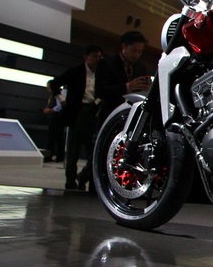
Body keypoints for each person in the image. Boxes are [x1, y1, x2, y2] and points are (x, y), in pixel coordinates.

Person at [48, 45, 104, 190]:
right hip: (77, 112)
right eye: (94, 57)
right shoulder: (76, 71)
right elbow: (54, 83)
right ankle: (70, 181)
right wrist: (62, 100)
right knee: (73, 150)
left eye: (99, 57)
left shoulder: (102, 74)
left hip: (93, 112)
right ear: (86, 57)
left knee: (94, 150)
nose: (97, 60)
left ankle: (84, 176)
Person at [95, 31, 151, 125]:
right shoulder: (106, 63)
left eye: (140, 52)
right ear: (124, 46)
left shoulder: (141, 68)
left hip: (131, 117)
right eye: (133, 50)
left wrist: (146, 89)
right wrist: (127, 87)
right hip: (110, 115)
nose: (136, 55)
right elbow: (100, 91)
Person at [42, 89, 66, 163]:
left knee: (52, 137)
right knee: (59, 137)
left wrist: (50, 110)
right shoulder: (56, 94)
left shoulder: (59, 94)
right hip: (58, 117)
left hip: (56, 117)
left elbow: (60, 106)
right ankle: (59, 156)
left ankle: (49, 155)